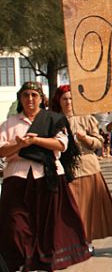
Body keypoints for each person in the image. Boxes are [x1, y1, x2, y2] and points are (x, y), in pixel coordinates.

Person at [0, 81, 91, 270]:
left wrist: (36, 140)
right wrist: (19, 145)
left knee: (48, 225)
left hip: (48, 176)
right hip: (17, 178)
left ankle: (45, 261)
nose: (30, 99)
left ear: (42, 98)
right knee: (15, 223)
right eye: (26, 95)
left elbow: (61, 145)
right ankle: (23, 260)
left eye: (34, 95)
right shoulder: (9, 123)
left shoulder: (53, 119)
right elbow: (1, 150)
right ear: (20, 99)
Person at [51, 85, 112, 245]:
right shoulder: (53, 120)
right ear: (58, 101)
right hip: (64, 170)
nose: (68, 102)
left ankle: (86, 241)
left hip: (87, 168)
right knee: (68, 210)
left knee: (87, 210)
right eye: (64, 99)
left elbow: (98, 142)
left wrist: (84, 138)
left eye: (70, 98)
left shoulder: (86, 118)